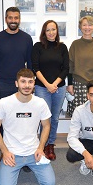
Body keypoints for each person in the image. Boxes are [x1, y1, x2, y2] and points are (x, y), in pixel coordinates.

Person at [0, 68, 55, 185]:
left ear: (34, 83)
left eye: (30, 82)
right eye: (23, 82)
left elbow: (46, 126)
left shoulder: (40, 103)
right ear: (16, 83)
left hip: (34, 152)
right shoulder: (4, 103)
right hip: (12, 154)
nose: (26, 85)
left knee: (49, 184)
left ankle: (29, 164)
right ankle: (11, 166)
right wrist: (5, 152)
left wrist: (41, 148)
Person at [32, 20, 69, 160]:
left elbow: (66, 68)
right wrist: (48, 84)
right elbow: (35, 68)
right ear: (44, 32)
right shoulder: (37, 47)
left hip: (59, 88)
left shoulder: (62, 47)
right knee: (44, 118)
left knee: (54, 118)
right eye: (48, 30)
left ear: (57, 31)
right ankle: (43, 144)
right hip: (42, 87)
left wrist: (55, 84)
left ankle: (50, 145)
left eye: (53, 29)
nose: (51, 32)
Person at [0, 6, 33, 102]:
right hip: (2, 84)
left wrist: (30, 83)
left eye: (16, 18)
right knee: (4, 115)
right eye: (10, 17)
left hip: (22, 83)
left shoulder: (27, 39)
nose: (13, 20)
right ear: (6, 19)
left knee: (22, 113)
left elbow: (30, 63)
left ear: (19, 20)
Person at [66, 16, 93, 117]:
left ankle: (92, 133)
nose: (87, 27)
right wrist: (70, 84)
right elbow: (70, 65)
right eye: (84, 25)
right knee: (78, 115)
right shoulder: (75, 44)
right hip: (78, 84)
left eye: (89, 25)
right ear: (80, 27)